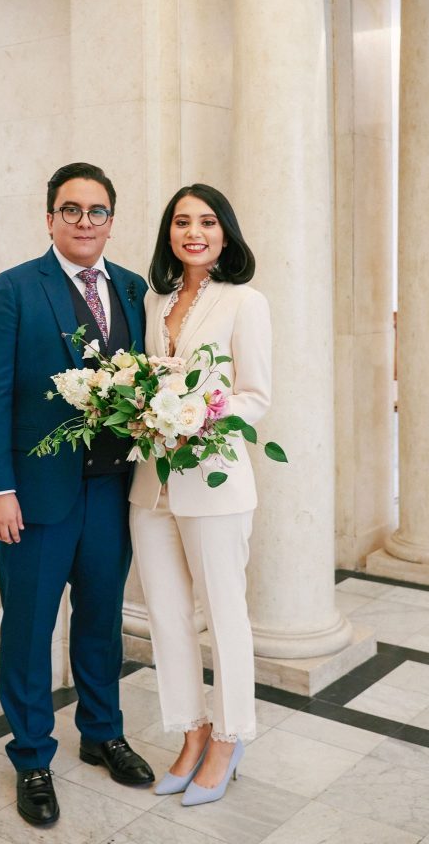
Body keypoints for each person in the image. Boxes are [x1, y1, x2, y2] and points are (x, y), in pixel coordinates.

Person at [0, 163, 153, 828]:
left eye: (97, 211)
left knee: (102, 620)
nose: (84, 222)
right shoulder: (15, 289)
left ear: (111, 220)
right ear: (49, 218)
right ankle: (31, 758)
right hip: (36, 498)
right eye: (71, 210)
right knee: (28, 630)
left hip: (111, 492)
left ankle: (102, 732)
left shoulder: (133, 290)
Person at [129, 183, 271, 807]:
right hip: (150, 489)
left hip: (216, 483)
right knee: (166, 615)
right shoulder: (154, 302)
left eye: (208, 221)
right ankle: (192, 732)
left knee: (224, 614)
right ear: (168, 233)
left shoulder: (246, 303)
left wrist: (196, 411)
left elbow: (256, 397)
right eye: (182, 221)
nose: (194, 231)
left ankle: (230, 737)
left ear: (225, 232)